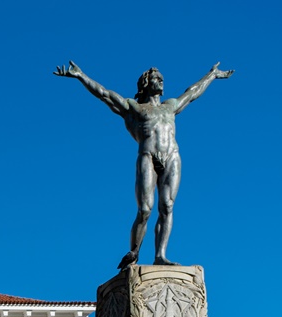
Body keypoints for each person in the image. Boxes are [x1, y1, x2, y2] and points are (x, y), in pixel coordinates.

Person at [54, 61, 233, 269]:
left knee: (167, 206)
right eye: (157, 79)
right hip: (148, 154)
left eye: (162, 79)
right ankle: (135, 252)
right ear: (146, 84)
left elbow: (192, 92)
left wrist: (212, 75)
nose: (161, 82)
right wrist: (81, 76)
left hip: (172, 155)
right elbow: (105, 94)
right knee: (145, 209)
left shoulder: (171, 106)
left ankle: (160, 255)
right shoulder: (135, 107)